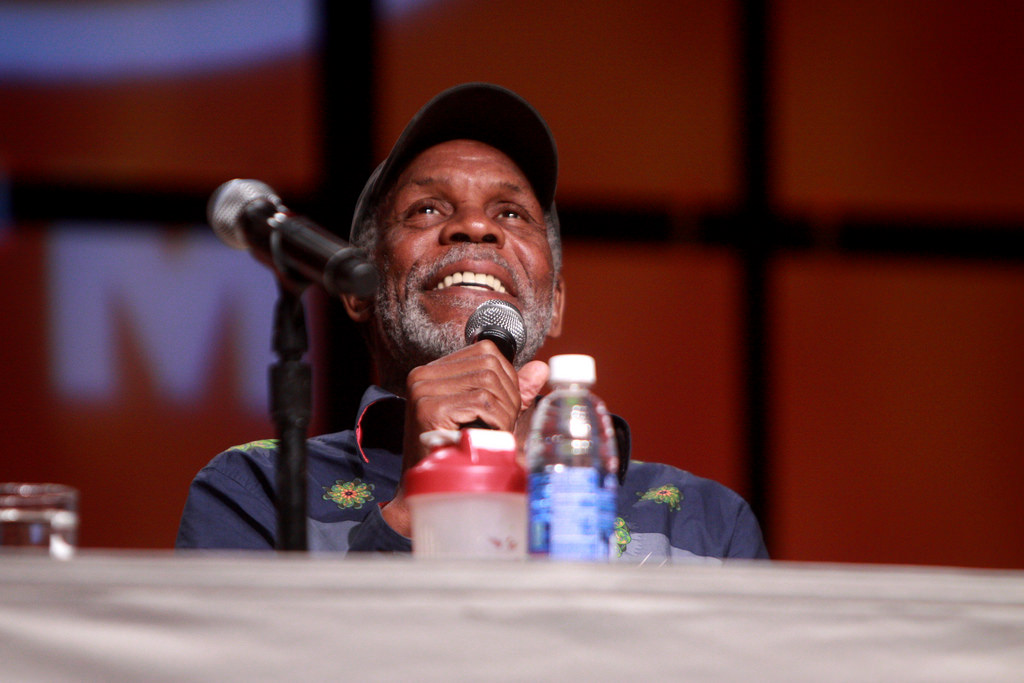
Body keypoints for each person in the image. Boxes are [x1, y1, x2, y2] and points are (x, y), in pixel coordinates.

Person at [176, 83, 768, 562]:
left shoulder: (701, 522)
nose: (476, 227)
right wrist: (415, 507)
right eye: (427, 208)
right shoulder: (257, 490)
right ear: (357, 293)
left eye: (510, 213)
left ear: (556, 302)